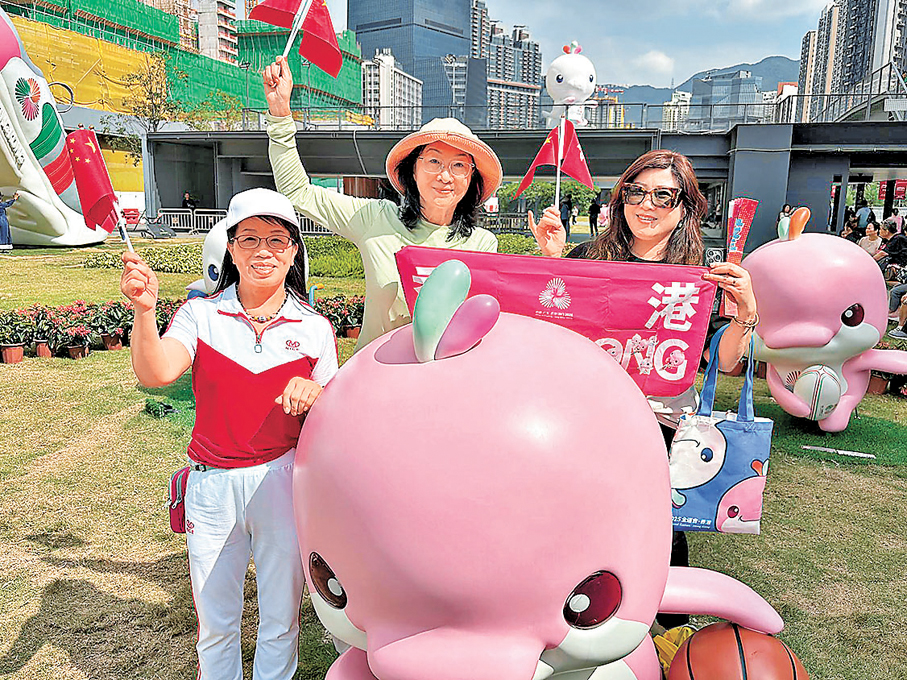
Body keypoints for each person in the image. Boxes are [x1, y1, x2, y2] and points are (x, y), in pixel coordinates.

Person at [528, 150, 759, 628]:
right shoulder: (589, 258)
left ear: (685, 206)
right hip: (586, 420)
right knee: (579, 521)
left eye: (663, 196)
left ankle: (671, 629)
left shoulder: (703, 277)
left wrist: (745, 313)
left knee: (659, 529)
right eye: (635, 192)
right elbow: (552, 327)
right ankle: (577, 622)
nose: (646, 204)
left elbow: (724, 361)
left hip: (662, 424)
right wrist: (555, 262)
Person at [120, 188, 338, 680]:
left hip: (282, 480)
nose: (264, 252)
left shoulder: (314, 328)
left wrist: (318, 394)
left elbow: (334, 418)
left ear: (294, 252)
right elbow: (157, 372)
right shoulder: (201, 315)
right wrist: (144, 312)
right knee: (216, 624)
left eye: (277, 240)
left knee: (281, 619)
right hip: (211, 484)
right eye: (250, 239)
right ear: (231, 249)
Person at [263, 56, 501, 351]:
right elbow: (298, 192)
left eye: (459, 165)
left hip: (446, 376)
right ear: (413, 170)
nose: (444, 176)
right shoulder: (376, 219)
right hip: (375, 371)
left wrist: (549, 255)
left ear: (471, 178)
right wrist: (280, 116)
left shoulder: (482, 244)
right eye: (433, 161)